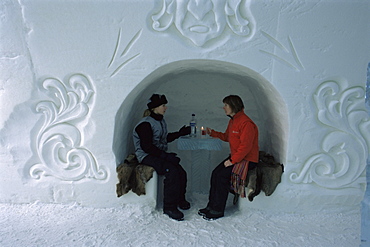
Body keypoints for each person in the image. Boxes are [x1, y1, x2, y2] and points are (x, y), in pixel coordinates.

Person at [199, 95, 259, 220]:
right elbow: (227, 137)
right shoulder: (233, 120)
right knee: (216, 173)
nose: (224, 107)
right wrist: (213, 133)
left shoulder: (246, 123)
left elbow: (246, 147)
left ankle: (217, 210)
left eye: (226, 105)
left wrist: (232, 161)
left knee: (221, 176)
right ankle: (211, 206)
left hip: (247, 160)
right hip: (237, 158)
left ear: (233, 106)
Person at [133, 94, 191, 221]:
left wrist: (179, 133)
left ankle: (180, 199)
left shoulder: (160, 121)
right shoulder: (145, 124)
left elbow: (163, 139)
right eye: (163, 105)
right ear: (155, 108)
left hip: (157, 154)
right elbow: (147, 147)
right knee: (171, 171)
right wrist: (166, 157)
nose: (166, 108)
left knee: (181, 171)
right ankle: (169, 207)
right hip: (146, 156)